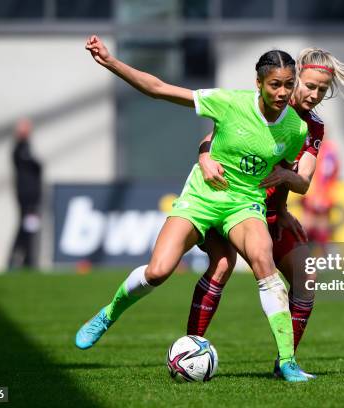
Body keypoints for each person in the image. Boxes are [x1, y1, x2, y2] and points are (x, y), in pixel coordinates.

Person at [76, 35, 311, 382]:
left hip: (244, 204)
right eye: (274, 84)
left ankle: (287, 361)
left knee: (264, 263)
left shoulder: (297, 128)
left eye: (288, 85)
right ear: (258, 82)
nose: (281, 92)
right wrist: (111, 62)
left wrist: (286, 181)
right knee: (158, 271)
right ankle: (108, 314)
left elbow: (292, 173)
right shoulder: (229, 103)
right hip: (201, 198)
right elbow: (158, 88)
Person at [186, 48, 344, 377]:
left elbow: (303, 180)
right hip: (232, 200)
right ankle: (190, 349)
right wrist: (204, 157)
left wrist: (284, 197)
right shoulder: (268, 101)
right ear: (294, 78)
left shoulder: (313, 128)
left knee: (307, 280)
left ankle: (285, 363)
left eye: (322, 90)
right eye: (310, 86)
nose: (314, 95)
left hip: (270, 213)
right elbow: (214, 137)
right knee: (220, 267)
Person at [8, 119, 43, 270]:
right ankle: (15, 260)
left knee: (29, 227)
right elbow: (35, 164)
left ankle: (28, 260)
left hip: (32, 195)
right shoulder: (19, 148)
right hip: (25, 195)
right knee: (25, 227)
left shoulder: (26, 147)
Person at [301, 138, 340, 249]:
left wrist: (319, 196)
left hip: (320, 196)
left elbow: (326, 174)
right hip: (312, 195)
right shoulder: (313, 148)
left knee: (319, 228)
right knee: (311, 228)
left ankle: (330, 259)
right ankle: (311, 259)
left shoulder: (327, 150)